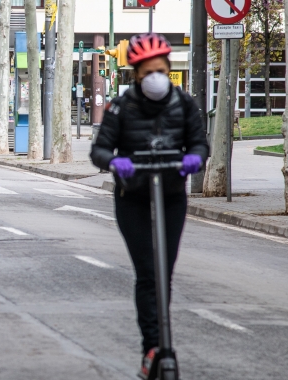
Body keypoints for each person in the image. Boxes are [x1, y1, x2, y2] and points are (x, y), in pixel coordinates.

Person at [89, 33, 209, 380]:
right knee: (147, 273)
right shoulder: (121, 105)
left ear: (168, 70)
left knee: (164, 271)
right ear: (136, 75)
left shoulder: (184, 103)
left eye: (159, 69)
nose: (153, 76)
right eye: (146, 72)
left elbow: (200, 144)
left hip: (171, 194)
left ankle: (164, 343)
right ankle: (153, 347)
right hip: (133, 196)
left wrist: (193, 159)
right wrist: (114, 163)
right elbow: (99, 150)